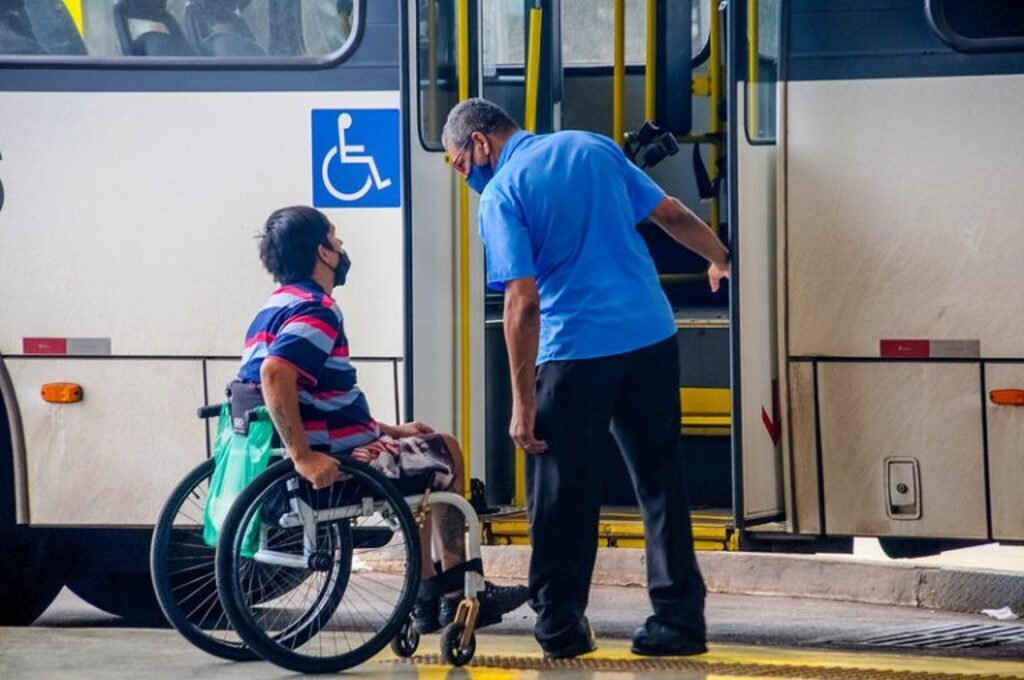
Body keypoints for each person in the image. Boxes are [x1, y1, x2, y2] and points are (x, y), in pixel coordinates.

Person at [442, 99, 731, 659]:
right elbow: (669, 213)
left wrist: (522, 403)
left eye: (460, 164)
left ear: (480, 144)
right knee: (661, 484)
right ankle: (678, 623)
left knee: (561, 495)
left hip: (576, 354)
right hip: (650, 336)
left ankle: (561, 627)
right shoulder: (590, 145)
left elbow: (522, 303)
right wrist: (719, 257)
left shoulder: (503, 194)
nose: (466, 176)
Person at [237, 205, 528, 634]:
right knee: (446, 451)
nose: (341, 246)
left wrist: (390, 431)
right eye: (335, 239)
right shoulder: (318, 309)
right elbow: (275, 374)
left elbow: (320, 399)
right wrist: (302, 456)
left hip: (305, 456)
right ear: (324, 253)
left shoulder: (273, 308)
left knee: (418, 454)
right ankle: (461, 593)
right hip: (330, 467)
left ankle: (429, 596)